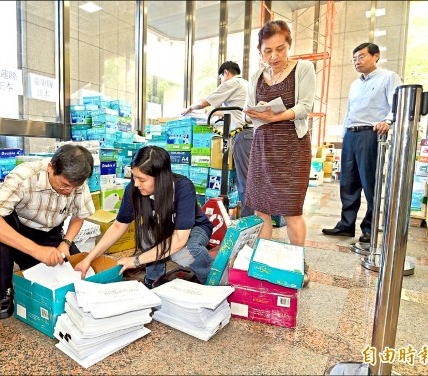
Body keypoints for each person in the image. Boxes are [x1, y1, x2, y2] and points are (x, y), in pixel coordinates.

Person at [75, 145, 214, 286]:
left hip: (194, 229)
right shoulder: (133, 190)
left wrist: (136, 260)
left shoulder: (183, 188)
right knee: (146, 236)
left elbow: (179, 240)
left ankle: (212, 280)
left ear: (160, 178)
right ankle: (153, 281)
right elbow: (118, 227)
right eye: (134, 177)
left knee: (184, 252)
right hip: (165, 229)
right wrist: (89, 258)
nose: (136, 184)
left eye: (142, 180)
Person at [0, 144, 95, 319]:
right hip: (17, 231)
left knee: (75, 273)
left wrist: (66, 243)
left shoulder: (76, 181)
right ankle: (4, 290)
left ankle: (31, 265)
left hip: (50, 234)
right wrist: (36, 250)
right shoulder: (24, 176)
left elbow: (79, 215)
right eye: (65, 185)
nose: (68, 191)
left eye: (73, 187)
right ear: (51, 167)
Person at [243, 20, 316, 286]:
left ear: (289, 45)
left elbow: (305, 107)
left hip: (292, 147)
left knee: (291, 209)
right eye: (268, 51)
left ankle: (298, 262)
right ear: (260, 51)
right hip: (263, 146)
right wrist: (251, 112)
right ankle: (266, 259)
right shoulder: (255, 78)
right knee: (261, 208)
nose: (274, 56)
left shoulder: (304, 69)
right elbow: (251, 110)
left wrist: (275, 116)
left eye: (280, 49)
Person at [322, 43, 400, 244]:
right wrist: (344, 133)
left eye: (362, 57)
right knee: (347, 182)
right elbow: (349, 110)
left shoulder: (388, 77)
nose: (357, 61)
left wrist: (388, 121)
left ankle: (369, 228)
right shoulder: (355, 84)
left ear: (376, 56)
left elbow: (397, 105)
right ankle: (346, 225)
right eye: (354, 58)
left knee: (370, 183)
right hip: (351, 134)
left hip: (371, 133)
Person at [181, 61, 254, 217]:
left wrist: (189, 108)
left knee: (245, 181)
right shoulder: (245, 84)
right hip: (251, 133)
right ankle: (253, 216)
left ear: (225, 73)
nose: (222, 80)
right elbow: (234, 111)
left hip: (244, 135)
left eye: (221, 77)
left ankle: (249, 220)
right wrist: (213, 114)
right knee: (248, 178)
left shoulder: (231, 83)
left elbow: (204, 102)